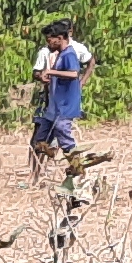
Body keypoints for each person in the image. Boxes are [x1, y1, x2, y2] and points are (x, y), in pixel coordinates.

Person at [30, 24, 93, 173]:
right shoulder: (60, 54)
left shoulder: (69, 54)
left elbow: (73, 74)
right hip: (54, 106)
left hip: (65, 106)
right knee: (39, 139)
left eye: (49, 40)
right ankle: (49, 154)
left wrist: (51, 72)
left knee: (64, 137)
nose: (48, 43)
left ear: (59, 38)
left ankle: (78, 170)